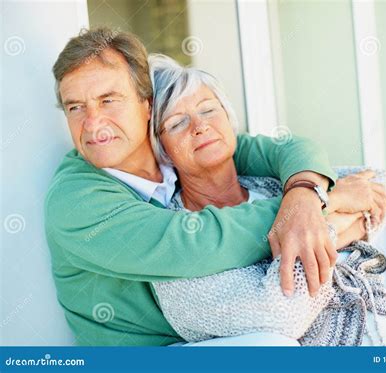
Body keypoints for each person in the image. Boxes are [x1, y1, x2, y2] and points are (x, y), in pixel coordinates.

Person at [46, 27, 349, 346]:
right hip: (153, 353)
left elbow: (284, 150)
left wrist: (305, 195)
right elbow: (195, 243)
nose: (92, 124)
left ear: (146, 106)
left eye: (108, 100)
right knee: (271, 346)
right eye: (75, 107)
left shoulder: (168, 147)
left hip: (209, 329)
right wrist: (328, 206)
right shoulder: (75, 201)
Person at [145, 54, 386, 346]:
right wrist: (329, 222)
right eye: (177, 123)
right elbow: (283, 314)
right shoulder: (177, 237)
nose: (200, 126)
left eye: (208, 109)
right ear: (160, 149)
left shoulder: (270, 184)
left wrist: (314, 210)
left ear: (229, 119)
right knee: (371, 226)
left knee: (381, 227)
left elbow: (385, 184)